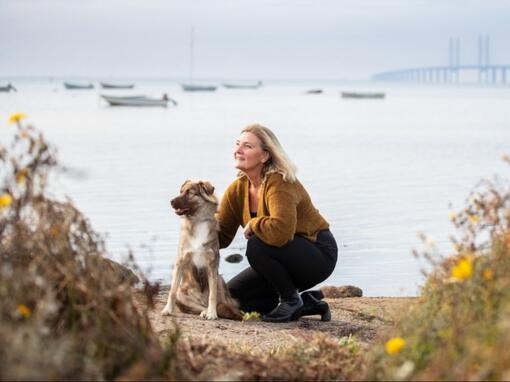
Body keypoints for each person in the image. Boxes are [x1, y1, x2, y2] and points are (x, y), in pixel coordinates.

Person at [217, 124, 338, 323]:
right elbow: (221, 237)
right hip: (280, 256)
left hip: (318, 254)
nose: (237, 150)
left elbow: (281, 233)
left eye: (247, 146)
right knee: (231, 300)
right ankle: (307, 303)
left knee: (257, 243)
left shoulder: (279, 182)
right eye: (237, 144)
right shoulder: (237, 189)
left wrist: (255, 224)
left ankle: (290, 300)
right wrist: (197, 221)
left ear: (265, 156)